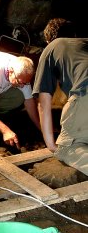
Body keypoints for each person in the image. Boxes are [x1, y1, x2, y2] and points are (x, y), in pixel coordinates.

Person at [33, 19, 88, 176]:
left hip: (85, 92)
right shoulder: (84, 43)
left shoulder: (52, 47)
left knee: (66, 147)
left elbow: (43, 102)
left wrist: (51, 144)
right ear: (75, 35)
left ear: (48, 40)